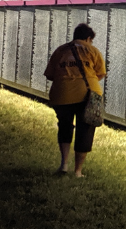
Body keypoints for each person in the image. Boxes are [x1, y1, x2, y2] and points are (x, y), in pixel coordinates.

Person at [43, 23, 105, 177]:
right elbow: (101, 73)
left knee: (64, 127)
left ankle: (64, 165)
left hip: (62, 94)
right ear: (88, 38)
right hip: (87, 95)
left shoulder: (60, 50)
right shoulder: (92, 50)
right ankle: (78, 171)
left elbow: (50, 74)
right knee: (85, 131)